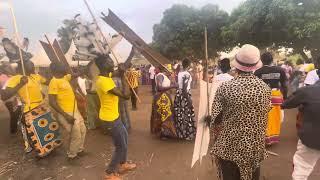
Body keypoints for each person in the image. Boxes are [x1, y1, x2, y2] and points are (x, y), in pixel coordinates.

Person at [206, 44, 271, 180]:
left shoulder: (225, 88)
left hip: (230, 148)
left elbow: (216, 119)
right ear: (255, 65)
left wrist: (209, 120)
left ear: (236, 65)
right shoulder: (265, 89)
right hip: (254, 148)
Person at [94, 54, 136, 180]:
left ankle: (122, 164)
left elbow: (123, 67)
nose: (113, 64)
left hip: (114, 116)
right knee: (120, 146)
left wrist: (132, 53)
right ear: (103, 66)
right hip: (109, 119)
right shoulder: (103, 81)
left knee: (125, 139)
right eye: (110, 62)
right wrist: (123, 76)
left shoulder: (107, 76)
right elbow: (126, 95)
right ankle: (109, 173)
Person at [1, 61, 48, 153]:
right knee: (31, 132)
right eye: (30, 65)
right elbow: (4, 95)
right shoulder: (17, 78)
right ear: (22, 67)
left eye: (33, 65)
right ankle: (32, 148)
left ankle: (45, 147)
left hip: (41, 107)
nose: (33, 67)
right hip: (28, 108)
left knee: (42, 129)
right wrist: (20, 84)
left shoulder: (34, 76)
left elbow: (47, 81)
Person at [281, 70, 320, 180]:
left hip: (312, 139)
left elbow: (286, 104)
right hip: (312, 138)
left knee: (302, 169)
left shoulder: (307, 91)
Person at [48, 62, 87, 160]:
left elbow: (75, 74)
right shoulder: (54, 82)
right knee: (76, 134)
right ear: (57, 69)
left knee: (83, 130)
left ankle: (79, 150)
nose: (66, 67)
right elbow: (52, 102)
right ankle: (72, 155)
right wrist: (65, 115)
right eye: (64, 66)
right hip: (66, 113)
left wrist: (81, 70)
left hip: (75, 111)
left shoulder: (64, 78)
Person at [254, 52, 288, 145]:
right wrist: (285, 97)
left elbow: (255, 87)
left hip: (263, 96)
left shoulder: (258, 72)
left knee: (265, 117)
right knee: (277, 117)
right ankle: (274, 137)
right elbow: (284, 85)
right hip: (276, 95)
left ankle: (266, 138)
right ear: (272, 60)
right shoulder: (280, 70)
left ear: (261, 60)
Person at [150, 66, 177, 139]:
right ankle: (164, 133)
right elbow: (159, 87)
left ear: (160, 69)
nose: (155, 69)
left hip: (163, 97)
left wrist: (172, 80)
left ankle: (163, 132)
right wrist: (172, 86)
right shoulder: (159, 76)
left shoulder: (162, 75)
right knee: (165, 114)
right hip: (162, 98)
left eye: (156, 68)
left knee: (162, 114)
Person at [174, 58, 196, 140]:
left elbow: (179, 85)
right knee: (187, 114)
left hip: (178, 94)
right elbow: (184, 88)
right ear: (189, 65)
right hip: (185, 95)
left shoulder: (180, 73)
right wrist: (189, 100)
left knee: (180, 114)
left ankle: (181, 133)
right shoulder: (187, 74)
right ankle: (187, 134)